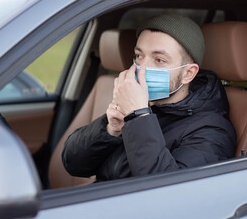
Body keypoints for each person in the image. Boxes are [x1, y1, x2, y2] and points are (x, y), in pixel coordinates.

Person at [62, 14, 236, 181]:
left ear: (188, 74)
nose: (142, 68)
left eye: (159, 60)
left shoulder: (212, 131)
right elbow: (73, 165)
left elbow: (169, 194)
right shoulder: (140, 103)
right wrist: (110, 130)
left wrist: (139, 116)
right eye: (139, 56)